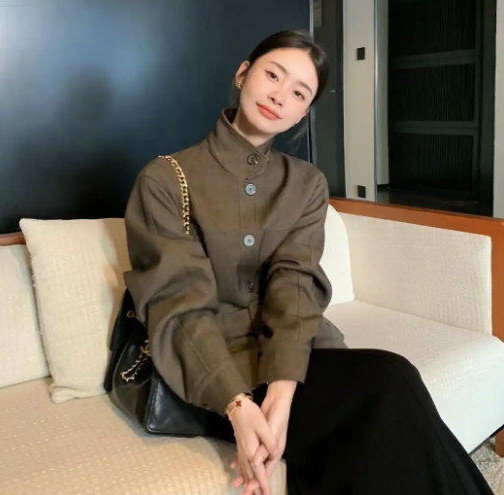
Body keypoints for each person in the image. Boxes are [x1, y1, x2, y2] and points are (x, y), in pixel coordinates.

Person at [123, 30, 494, 495]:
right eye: (272, 75)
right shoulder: (165, 178)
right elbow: (178, 305)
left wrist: (282, 395)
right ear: (243, 74)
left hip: (298, 358)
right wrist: (238, 407)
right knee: (389, 391)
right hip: (212, 373)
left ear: (304, 112)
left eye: (300, 93)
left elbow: (294, 285)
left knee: (390, 393)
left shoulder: (306, 183)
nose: (280, 96)